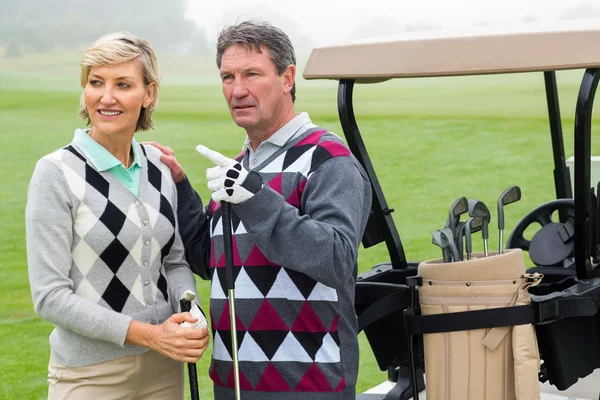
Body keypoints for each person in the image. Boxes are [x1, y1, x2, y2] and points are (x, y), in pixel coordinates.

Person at [152, 20, 372, 399]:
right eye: (228, 77)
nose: (238, 90)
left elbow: (336, 259)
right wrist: (180, 186)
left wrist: (255, 197)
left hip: (309, 383)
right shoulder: (240, 165)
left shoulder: (328, 158)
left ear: (287, 78)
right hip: (235, 382)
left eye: (252, 74)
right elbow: (210, 261)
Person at [25, 32, 209, 400]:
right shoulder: (56, 172)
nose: (106, 97)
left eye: (123, 84)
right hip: (89, 376)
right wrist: (152, 333)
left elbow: (172, 262)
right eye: (96, 83)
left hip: (163, 368)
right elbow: (50, 296)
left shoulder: (159, 166)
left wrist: (191, 310)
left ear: (149, 94)